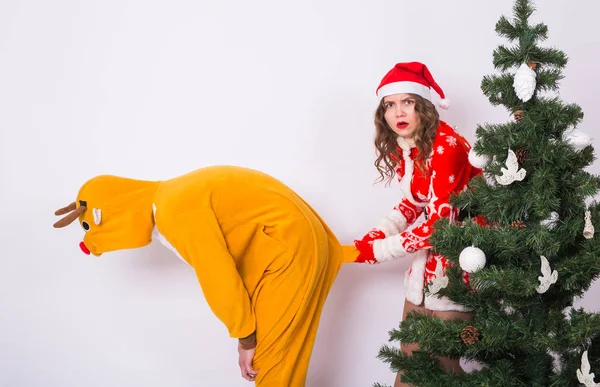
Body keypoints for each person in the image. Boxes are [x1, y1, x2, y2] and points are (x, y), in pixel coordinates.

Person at [52, 165, 357, 387]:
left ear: (105, 214)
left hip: (290, 247)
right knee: (281, 360)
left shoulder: (174, 212)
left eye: (91, 229)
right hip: (294, 242)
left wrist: (245, 337)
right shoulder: (172, 196)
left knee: (272, 364)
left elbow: (217, 275)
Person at [351, 62, 482, 386]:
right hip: (426, 267)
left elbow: (440, 223)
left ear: (423, 104)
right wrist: (374, 236)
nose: (398, 112)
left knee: (441, 369)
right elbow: (414, 203)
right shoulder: (409, 148)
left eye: (407, 101)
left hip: (459, 266)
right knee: (409, 365)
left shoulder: (447, 146)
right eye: (389, 104)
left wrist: (382, 250)